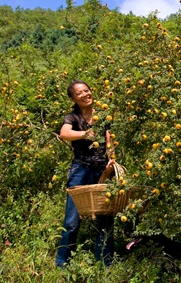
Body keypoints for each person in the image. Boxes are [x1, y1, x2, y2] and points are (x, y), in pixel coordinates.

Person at [56, 80, 115, 268]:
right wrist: (84, 134)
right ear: (73, 98)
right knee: (72, 220)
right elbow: (64, 134)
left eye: (87, 90)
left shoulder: (103, 115)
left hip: (102, 171)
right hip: (80, 170)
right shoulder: (72, 118)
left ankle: (105, 264)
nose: (85, 94)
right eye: (79, 93)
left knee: (105, 220)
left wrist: (112, 159)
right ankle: (62, 264)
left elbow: (109, 140)